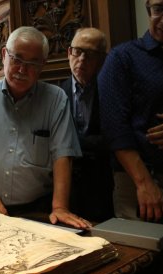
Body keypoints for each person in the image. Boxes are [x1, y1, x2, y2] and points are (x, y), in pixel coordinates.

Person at [0, 26, 91, 229]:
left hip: (38, 209)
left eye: (32, 63)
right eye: (17, 59)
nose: (22, 70)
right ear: (4, 55)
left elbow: (63, 155)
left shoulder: (56, 99)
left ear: (42, 65)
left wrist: (60, 207)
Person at [98, 0, 163, 224]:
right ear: (149, 10)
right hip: (140, 179)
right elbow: (113, 127)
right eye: (159, 9)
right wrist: (144, 184)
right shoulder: (122, 57)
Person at [60, 27, 114, 222]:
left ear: (102, 59)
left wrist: (73, 144)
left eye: (90, 54)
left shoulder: (112, 91)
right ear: (69, 53)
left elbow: (113, 139)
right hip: (67, 188)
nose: (82, 59)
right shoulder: (55, 94)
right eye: (77, 51)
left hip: (104, 184)